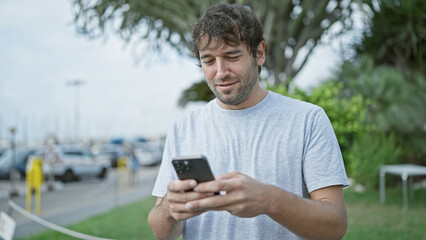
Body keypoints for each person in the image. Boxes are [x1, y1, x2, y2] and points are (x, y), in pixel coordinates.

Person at [148, 3, 349, 240]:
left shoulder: (308, 120)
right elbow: (163, 234)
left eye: (232, 56)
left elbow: (335, 227)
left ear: (260, 53)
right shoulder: (183, 127)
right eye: (209, 61)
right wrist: (170, 210)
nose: (221, 72)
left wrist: (269, 199)